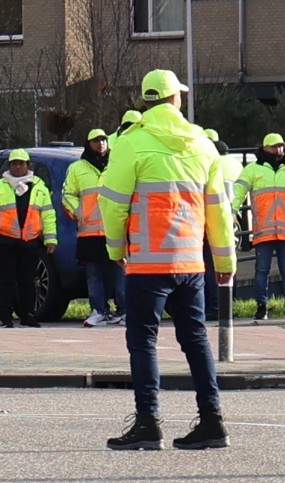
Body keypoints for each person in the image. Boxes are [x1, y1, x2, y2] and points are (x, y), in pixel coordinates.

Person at [100, 69, 236, 451]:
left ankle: (148, 423)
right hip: (190, 261)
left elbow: (113, 203)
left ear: (146, 101)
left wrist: (115, 250)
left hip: (146, 260)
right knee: (195, 340)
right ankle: (212, 421)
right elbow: (219, 209)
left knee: (143, 340)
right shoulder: (203, 143)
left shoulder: (132, 142)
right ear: (176, 98)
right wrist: (224, 260)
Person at [232, 133, 285, 320]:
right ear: (265, 148)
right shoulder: (253, 169)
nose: (279, 150)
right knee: (262, 270)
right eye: (275, 147)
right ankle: (261, 307)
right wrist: (231, 214)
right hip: (264, 231)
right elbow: (238, 192)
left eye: (281, 146)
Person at [0, 149, 57, 328]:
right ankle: (5, 317)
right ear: (9, 165)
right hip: (5, 241)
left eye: (22, 163)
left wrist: (51, 239)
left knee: (28, 281)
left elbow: (48, 215)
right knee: (7, 280)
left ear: (28, 165)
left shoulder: (39, 188)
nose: (18, 167)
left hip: (29, 242)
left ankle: (28, 316)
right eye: (14, 163)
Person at [63, 129, 125, 327]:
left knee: (120, 271)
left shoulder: (117, 165)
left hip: (114, 228)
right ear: (88, 144)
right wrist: (78, 211)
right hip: (90, 231)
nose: (101, 144)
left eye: (104, 140)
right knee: (94, 273)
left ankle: (124, 311)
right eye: (96, 141)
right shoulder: (76, 168)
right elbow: (67, 194)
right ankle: (99, 310)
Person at [201, 131, 243, 321]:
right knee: (227, 264)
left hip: (207, 221)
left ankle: (213, 307)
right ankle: (227, 306)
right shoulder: (232, 163)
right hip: (228, 219)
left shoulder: (206, 163)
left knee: (208, 267)